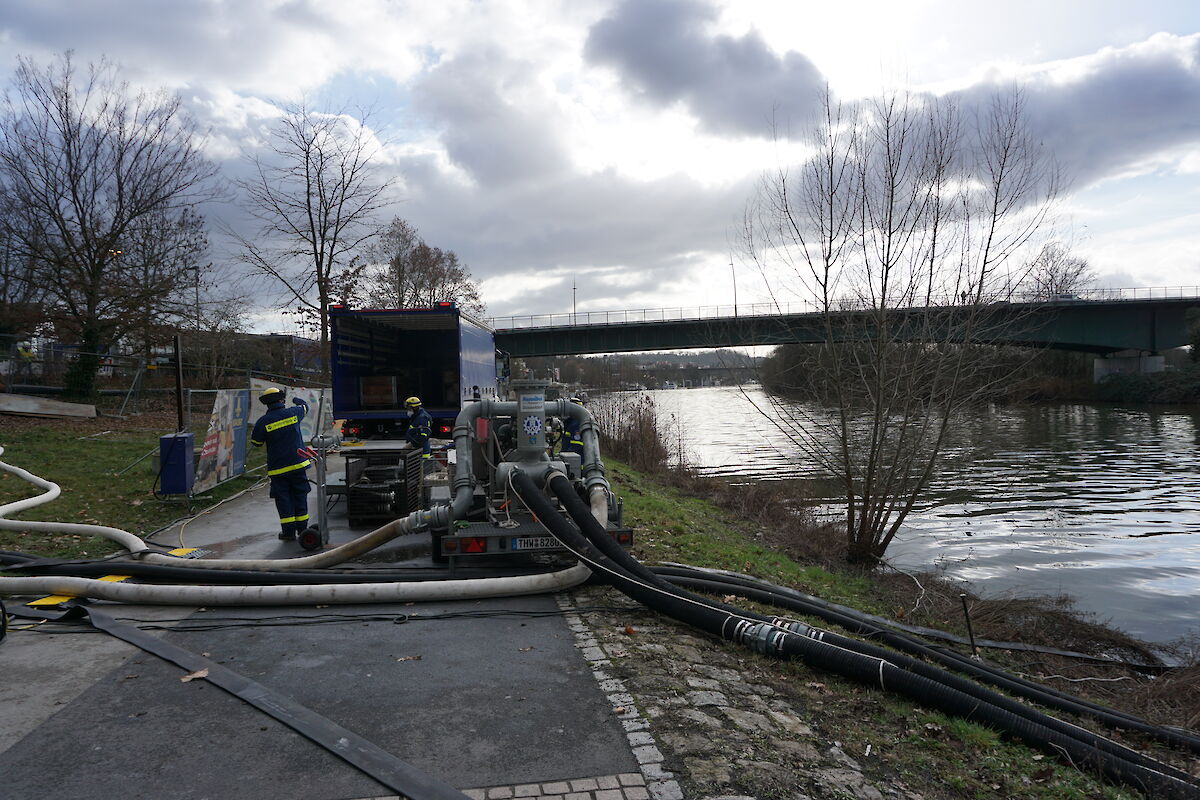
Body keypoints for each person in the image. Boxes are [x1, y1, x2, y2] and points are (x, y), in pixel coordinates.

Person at [249, 387, 311, 541]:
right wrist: (296, 399)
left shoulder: (263, 422)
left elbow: (256, 442)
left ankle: (288, 532)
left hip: (278, 469)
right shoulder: (293, 413)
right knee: (300, 495)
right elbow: (305, 406)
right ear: (282, 400)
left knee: (283, 499)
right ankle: (303, 530)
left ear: (267, 404)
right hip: (298, 465)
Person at [404, 396, 433, 468]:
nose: (408, 410)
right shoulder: (417, 416)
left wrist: (411, 444)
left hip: (422, 450)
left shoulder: (422, 418)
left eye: (409, 408)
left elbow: (422, 436)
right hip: (419, 448)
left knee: (422, 469)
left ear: (414, 408)